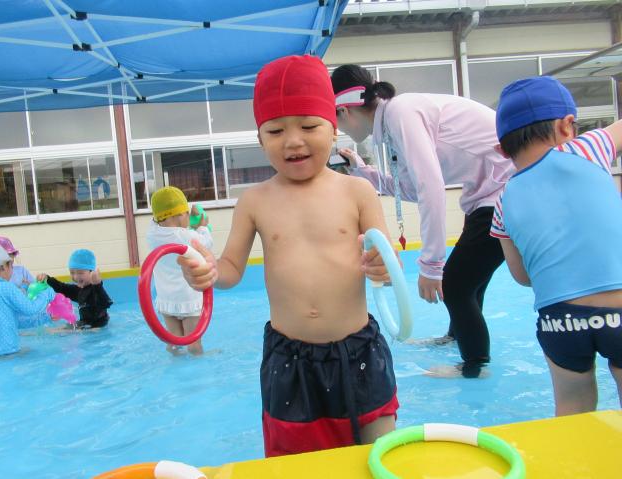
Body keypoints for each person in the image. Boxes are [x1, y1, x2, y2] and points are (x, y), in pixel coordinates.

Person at [178, 55, 398, 457]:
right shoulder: (255, 201)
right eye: (276, 130)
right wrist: (208, 271)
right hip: (289, 360)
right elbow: (230, 269)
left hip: (359, 352)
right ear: (260, 139)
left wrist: (384, 266)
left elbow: (386, 258)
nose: (293, 141)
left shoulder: (357, 192)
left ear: (333, 128)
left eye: (309, 126)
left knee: (379, 453)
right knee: (296, 463)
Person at [331, 64, 516, 378]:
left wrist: (431, 265)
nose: (340, 130)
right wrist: (362, 170)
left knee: (456, 284)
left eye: (335, 121)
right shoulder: (392, 124)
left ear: (344, 110)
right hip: (487, 194)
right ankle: (457, 338)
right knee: (470, 281)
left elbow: (431, 187)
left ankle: (475, 367)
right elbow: (412, 190)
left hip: (504, 191)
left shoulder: (401, 113)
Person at [490, 76, 622, 415]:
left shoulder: (503, 200)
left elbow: (522, 275)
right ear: (567, 126)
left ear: (502, 150)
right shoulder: (586, 149)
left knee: (572, 408)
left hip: (559, 320)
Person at [147, 186, 213, 355]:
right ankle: (198, 362)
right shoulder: (185, 237)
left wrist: (182, 219)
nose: (189, 217)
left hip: (166, 300)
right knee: (193, 342)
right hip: (188, 299)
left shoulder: (152, 234)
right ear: (178, 215)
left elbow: (161, 219)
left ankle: (174, 360)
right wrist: (202, 227)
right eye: (186, 213)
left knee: (174, 342)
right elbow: (206, 244)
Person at [0, 244, 54, 358]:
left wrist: (47, 317)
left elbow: (13, 321)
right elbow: (31, 309)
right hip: (8, 352)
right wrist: (46, 293)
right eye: (11, 265)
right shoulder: (6, 287)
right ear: (2, 266)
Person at [37, 249, 112, 329]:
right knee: (63, 328)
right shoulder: (79, 291)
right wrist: (47, 279)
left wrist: (97, 284)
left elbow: (106, 303)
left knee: (58, 330)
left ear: (91, 272)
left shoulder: (95, 290)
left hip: (96, 326)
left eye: (80, 273)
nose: (76, 277)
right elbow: (62, 288)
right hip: (86, 325)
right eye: (72, 273)